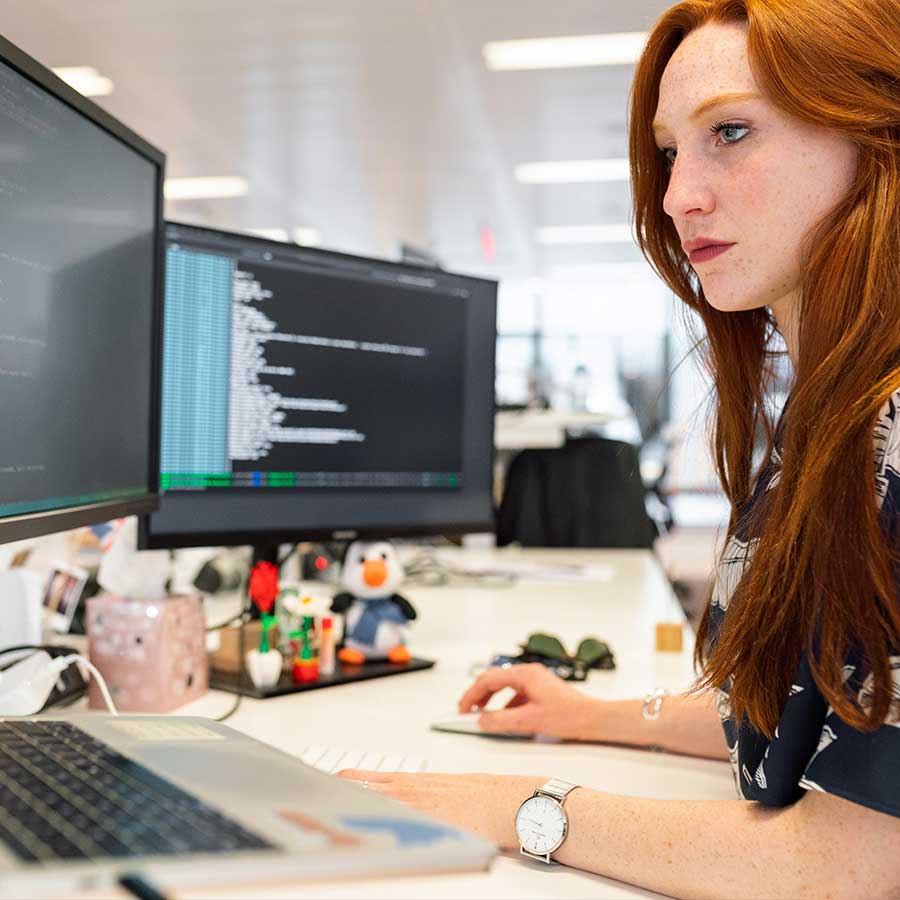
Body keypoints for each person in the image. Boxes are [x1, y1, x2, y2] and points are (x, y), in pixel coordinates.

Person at [339, 0, 900, 895]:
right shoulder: (826, 420)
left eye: (731, 132)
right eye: (671, 151)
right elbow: (809, 715)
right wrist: (593, 714)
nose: (678, 196)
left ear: (875, 136)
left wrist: (522, 808)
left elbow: (860, 860)